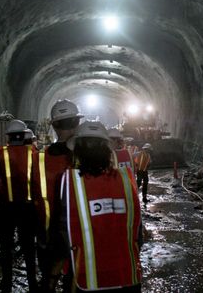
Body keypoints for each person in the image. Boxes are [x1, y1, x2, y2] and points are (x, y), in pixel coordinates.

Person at [59, 120, 142, 292]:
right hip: (127, 274)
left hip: (87, 277)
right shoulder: (127, 179)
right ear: (107, 151)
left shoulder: (70, 182)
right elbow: (137, 231)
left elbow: (62, 233)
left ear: (77, 152)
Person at [0, 120, 38, 292]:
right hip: (27, 209)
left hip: (6, 209)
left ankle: (6, 284)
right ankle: (33, 283)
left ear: (9, 137)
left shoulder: (1, 153)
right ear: (24, 135)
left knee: (6, 248)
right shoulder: (33, 152)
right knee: (28, 248)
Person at [32, 99, 83, 292]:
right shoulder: (85, 157)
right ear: (77, 123)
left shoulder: (39, 158)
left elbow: (34, 196)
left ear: (53, 125)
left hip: (48, 230)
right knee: (77, 279)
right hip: (80, 229)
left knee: (49, 278)